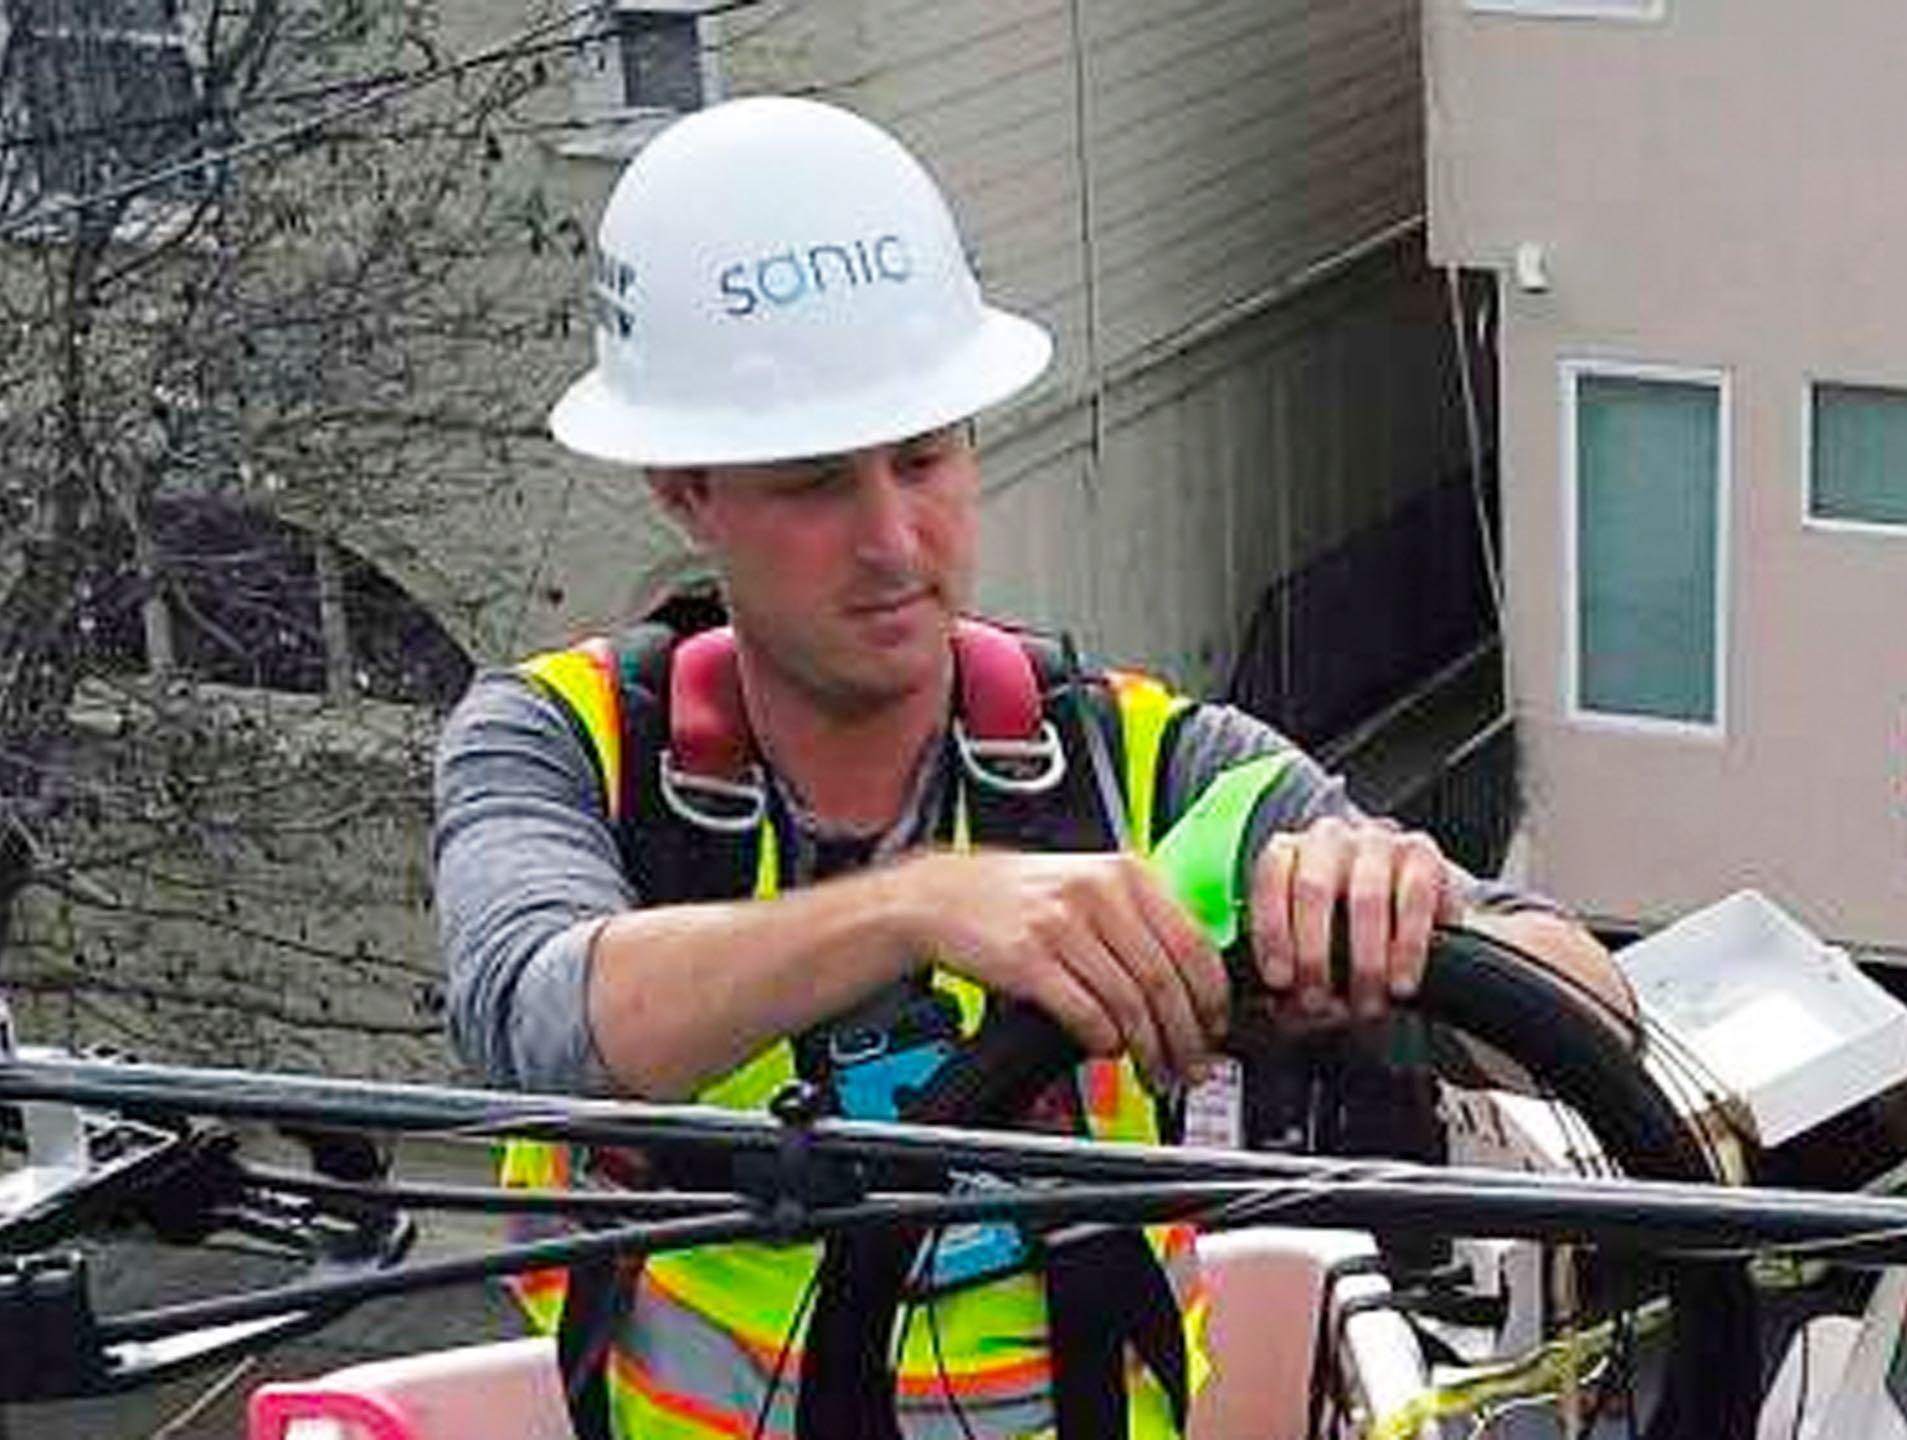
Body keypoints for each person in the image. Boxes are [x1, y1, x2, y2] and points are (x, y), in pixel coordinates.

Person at [433, 95, 1627, 1440]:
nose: (895, 538)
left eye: (926, 457)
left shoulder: (1142, 766)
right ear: (684, 487)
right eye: (817, 484)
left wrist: (1397, 909)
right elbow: (531, 1015)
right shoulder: (566, 745)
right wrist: (920, 904)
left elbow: (1594, 1016)